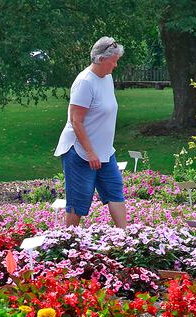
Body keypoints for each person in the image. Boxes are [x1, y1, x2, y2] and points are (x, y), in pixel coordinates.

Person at [54, 36, 126, 228]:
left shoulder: (107, 77)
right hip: (79, 151)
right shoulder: (85, 82)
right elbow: (75, 121)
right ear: (102, 59)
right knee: (79, 200)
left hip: (105, 151)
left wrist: (98, 150)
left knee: (115, 190)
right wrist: (90, 152)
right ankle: (67, 241)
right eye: (114, 61)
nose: (116, 65)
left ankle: (126, 238)